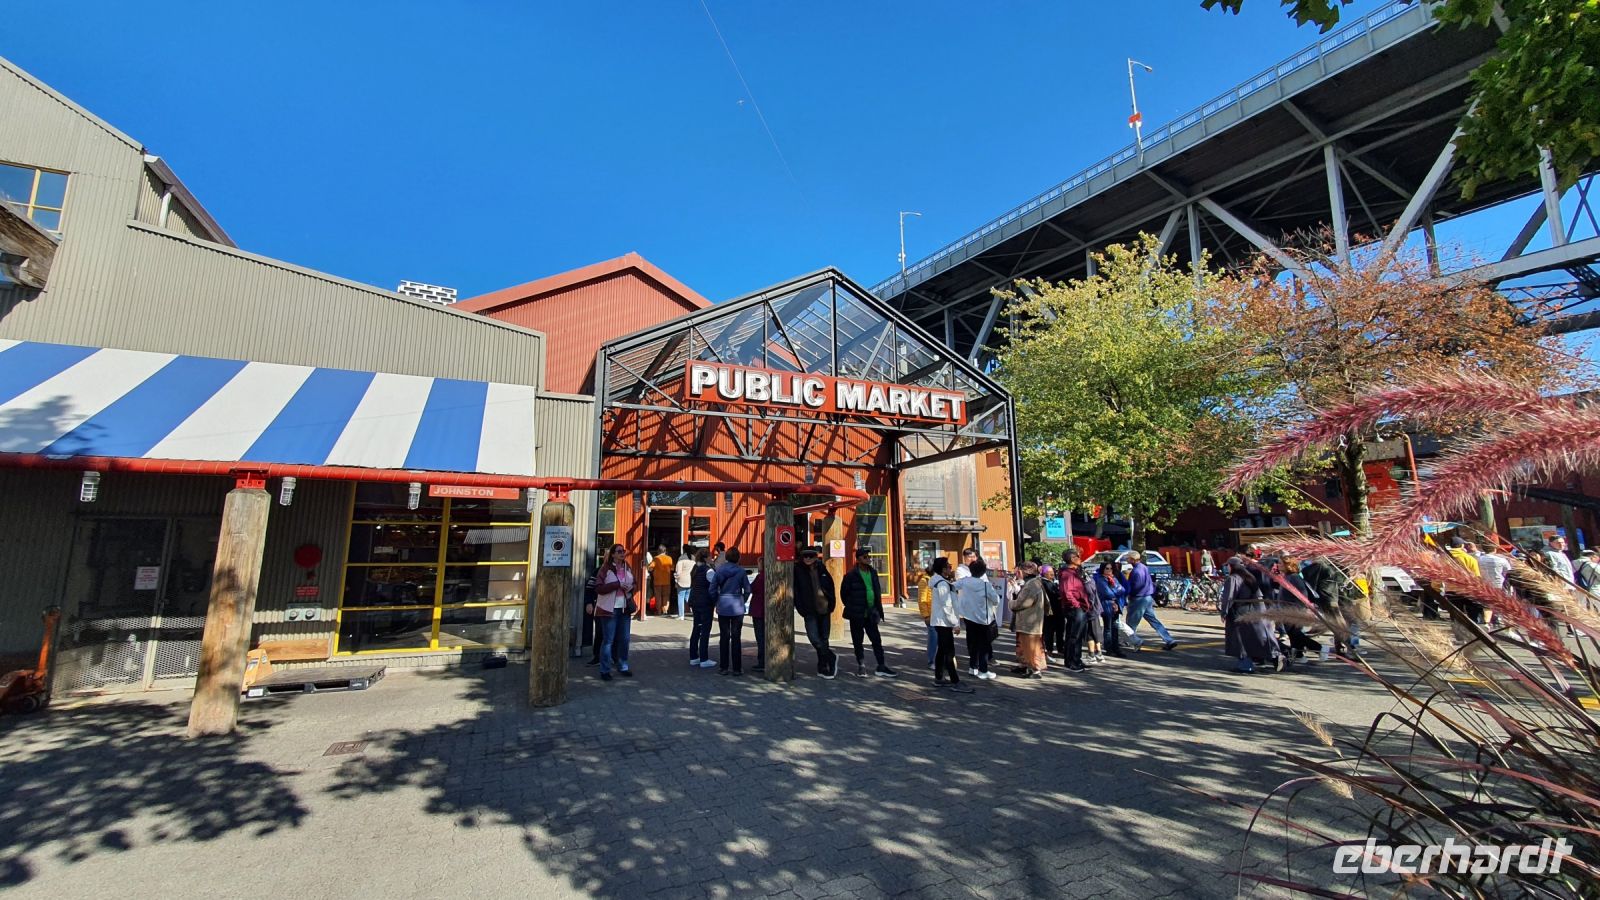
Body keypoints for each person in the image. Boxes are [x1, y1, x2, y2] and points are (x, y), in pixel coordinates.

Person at [841, 545, 897, 677]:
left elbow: (876, 590)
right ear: (858, 559)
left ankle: (881, 665)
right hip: (857, 613)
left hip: (871, 612)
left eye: (869, 557)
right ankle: (861, 665)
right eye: (865, 557)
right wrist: (852, 606)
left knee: (876, 640)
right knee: (857, 641)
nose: (868, 559)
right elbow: (844, 594)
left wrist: (877, 608)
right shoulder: (850, 575)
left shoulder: (873, 572)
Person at [1220, 556, 1281, 674]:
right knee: (1259, 637)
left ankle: (1245, 665)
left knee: (1240, 639)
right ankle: (1275, 656)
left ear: (1232, 566)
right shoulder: (1249, 576)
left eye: (1228, 565)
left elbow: (1228, 597)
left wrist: (1224, 612)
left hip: (1240, 612)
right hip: (1256, 609)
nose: (1227, 567)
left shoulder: (1233, 578)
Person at [793, 546, 839, 678]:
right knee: (814, 638)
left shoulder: (822, 569)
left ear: (815, 557)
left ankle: (822, 666)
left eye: (810, 556)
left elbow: (830, 585)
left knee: (824, 639)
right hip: (809, 609)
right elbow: (795, 589)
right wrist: (800, 606)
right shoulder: (798, 570)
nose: (807, 558)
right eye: (805, 556)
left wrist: (832, 603)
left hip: (824, 608)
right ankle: (831, 656)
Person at [927, 557, 972, 692]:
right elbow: (946, 605)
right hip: (944, 621)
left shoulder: (942, 582)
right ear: (943, 569)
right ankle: (955, 681)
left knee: (942, 650)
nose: (950, 568)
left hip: (941, 621)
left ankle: (939, 677)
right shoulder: (942, 584)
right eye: (948, 566)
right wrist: (955, 623)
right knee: (949, 652)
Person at [594, 543, 637, 681]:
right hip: (609, 609)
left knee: (625, 639)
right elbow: (599, 587)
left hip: (624, 607)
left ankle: (623, 665)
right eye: (619, 551)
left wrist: (631, 587)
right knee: (608, 640)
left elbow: (635, 583)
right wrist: (616, 585)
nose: (622, 553)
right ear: (612, 554)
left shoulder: (627, 567)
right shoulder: (605, 569)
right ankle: (605, 669)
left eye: (623, 551)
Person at [1120, 552, 1178, 651]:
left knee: (1131, 622)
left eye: (1128, 558)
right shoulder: (1143, 567)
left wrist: (1127, 594)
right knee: (1153, 620)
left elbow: (1135, 587)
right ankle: (1169, 639)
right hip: (1147, 597)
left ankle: (1132, 641)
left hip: (1138, 598)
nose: (1127, 560)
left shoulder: (1136, 571)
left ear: (1133, 560)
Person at [955, 558, 1000, 680]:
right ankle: (983, 670)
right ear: (983, 572)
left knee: (973, 643)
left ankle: (973, 667)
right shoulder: (986, 585)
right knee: (984, 645)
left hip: (968, 617)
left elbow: (952, 587)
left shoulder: (964, 581)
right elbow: (996, 600)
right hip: (983, 619)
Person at [712, 548, 750, 676]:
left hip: (723, 605)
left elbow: (712, 589)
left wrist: (717, 601)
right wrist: (742, 600)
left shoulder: (719, 570)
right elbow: (748, 590)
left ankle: (724, 667)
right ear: (738, 558)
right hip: (737, 606)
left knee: (724, 637)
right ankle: (737, 668)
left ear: (726, 557)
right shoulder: (741, 571)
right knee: (736, 637)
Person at [1009, 560, 1047, 678]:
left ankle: (1035, 670)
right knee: (1024, 646)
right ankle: (1025, 665)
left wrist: (1011, 603)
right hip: (1028, 620)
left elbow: (1023, 603)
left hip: (1030, 621)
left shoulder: (1031, 584)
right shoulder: (1034, 582)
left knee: (1032, 647)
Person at [1057, 551, 1094, 671]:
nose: (1079, 558)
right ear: (1071, 559)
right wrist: (1076, 605)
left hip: (1081, 607)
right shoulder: (1067, 574)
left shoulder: (1075, 572)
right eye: (1076, 557)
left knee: (1077, 635)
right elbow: (1067, 592)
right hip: (1075, 608)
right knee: (1074, 635)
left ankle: (1076, 659)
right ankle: (1071, 662)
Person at [687, 548, 716, 668]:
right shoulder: (708, 571)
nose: (711, 558)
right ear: (705, 558)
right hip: (705, 602)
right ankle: (704, 658)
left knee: (696, 628)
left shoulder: (695, 569)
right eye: (710, 556)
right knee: (705, 630)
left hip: (694, 600)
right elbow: (715, 584)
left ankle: (694, 656)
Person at [1091, 562, 1126, 658]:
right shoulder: (1100, 579)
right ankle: (1109, 648)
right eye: (1107, 568)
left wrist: (1115, 590)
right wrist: (1116, 590)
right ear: (1103, 569)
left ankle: (1116, 648)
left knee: (1115, 627)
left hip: (1116, 604)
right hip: (1106, 605)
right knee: (1108, 628)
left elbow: (1122, 589)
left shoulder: (1113, 578)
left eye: (1111, 568)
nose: (1109, 570)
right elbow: (1107, 593)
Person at [648, 545, 675, 617]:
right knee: (666, 596)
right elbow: (672, 569)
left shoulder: (656, 558)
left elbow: (650, 568)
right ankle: (665, 610)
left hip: (657, 581)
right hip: (667, 581)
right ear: (665, 551)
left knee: (658, 596)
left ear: (658, 551)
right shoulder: (669, 558)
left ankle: (659, 611)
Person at [749, 568, 766, 673]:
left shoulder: (760, 577)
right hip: (765, 608)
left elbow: (752, 588)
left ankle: (762, 662)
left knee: (760, 637)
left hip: (758, 608)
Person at [674, 545, 695, 621]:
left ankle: (681, 615)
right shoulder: (693, 558)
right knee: (688, 598)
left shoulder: (681, 559)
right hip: (691, 580)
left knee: (681, 597)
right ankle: (695, 612)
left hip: (682, 580)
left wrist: (676, 580)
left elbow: (678, 572)